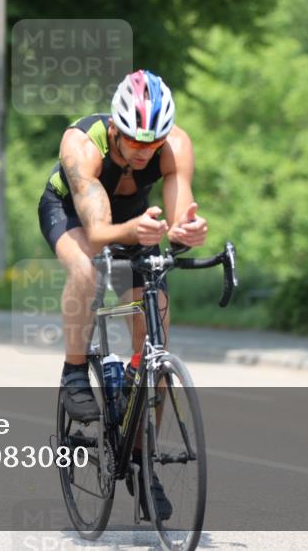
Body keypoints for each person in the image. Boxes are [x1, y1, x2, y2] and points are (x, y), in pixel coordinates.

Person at [37, 69, 208, 518]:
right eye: (133, 141)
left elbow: (176, 216)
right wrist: (132, 231)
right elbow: (96, 231)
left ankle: (141, 457)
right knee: (85, 271)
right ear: (114, 128)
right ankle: (75, 371)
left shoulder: (175, 147)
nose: (144, 151)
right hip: (73, 212)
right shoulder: (81, 144)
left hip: (138, 222)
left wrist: (187, 232)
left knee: (155, 351)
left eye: (153, 143)